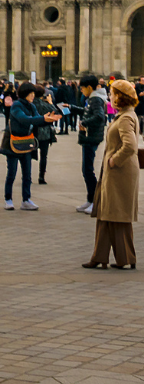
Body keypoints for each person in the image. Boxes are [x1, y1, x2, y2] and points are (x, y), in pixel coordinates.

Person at [84, 80, 140, 269]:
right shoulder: (124, 115)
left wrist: (114, 160)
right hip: (116, 172)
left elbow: (130, 146)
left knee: (117, 215)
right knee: (106, 213)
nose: (110, 96)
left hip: (120, 172)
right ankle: (102, 257)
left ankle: (125, 259)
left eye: (112, 93)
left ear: (120, 96)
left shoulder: (125, 118)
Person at [2, 83, 60, 211]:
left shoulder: (32, 105)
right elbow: (25, 120)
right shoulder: (16, 105)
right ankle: (8, 199)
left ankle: (26, 200)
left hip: (27, 142)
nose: (33, 96)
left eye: (34, 93)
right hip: (13, 143)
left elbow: (36, 119)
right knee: (11, 173)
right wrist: (43, 119)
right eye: (31, 93)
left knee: (27, 174)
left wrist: (47, 120)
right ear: (24, 94)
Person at [76, 74, 108, 215]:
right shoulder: (94, 98)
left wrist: (84, 123)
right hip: (92, 136)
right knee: (87, 169)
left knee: (88, 170)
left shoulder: (95, 98)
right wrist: (71, 107)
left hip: (91, 137)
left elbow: (99, 116)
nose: (81, 91)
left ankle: (95, 201)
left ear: (89, 87)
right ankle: (90, 200)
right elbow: (89, 112)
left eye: (82, 88)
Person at [34, 88, 60, 185]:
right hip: (45, 132)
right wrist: (50, 102)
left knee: (27, 155)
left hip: (33, 132)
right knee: (44, 156)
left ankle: (26, 175)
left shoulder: (31, 105)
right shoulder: (45, 104)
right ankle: (41, 176)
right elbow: (56, 113)